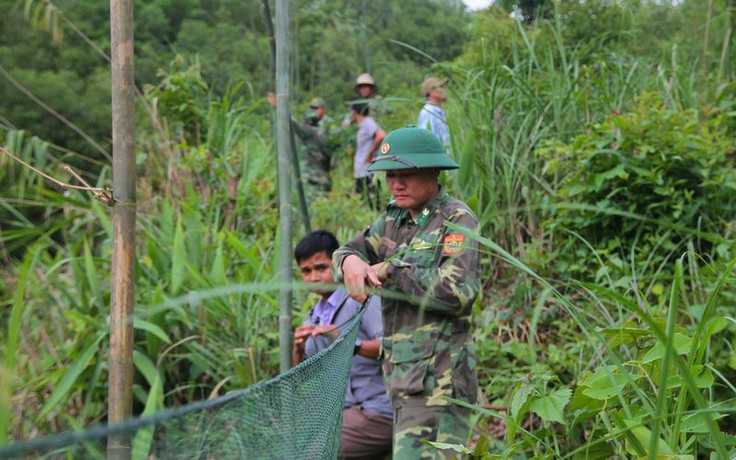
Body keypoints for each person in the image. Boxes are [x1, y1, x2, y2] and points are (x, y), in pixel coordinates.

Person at [332, 126, 480, 459]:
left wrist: (392, 270)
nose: (396, 184)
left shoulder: (455, 220)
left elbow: (456, 292)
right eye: (390, 175)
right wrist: (349, 264)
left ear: (433, 172)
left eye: (406, 175)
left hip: (440, 384)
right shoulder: (391, 220)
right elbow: (346, 251)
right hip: (402, 377)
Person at [292, 230, 393, 460]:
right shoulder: (314, 317)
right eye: (306, 271)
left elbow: (391, 347)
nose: (314, 277)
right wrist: (297, 349)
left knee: (314, 453)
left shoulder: (362, 299)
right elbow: (301, 378)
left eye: (321, 268)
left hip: (377, 410)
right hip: (344, 413)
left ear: (337, 266)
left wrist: (348, 342)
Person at [267, 93, 335, 195]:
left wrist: (280, 107)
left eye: (317, 108)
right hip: (307, 173)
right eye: (312, 108)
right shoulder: (308, 123)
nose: (314, 111)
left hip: (320, 174)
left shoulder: (329, 125)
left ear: (323, 109)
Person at [350, 101, 386, 208]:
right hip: (362, 170)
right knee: (362, 200)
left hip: (367, 170)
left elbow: (381, 136)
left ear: (354, 112)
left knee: (372, 202)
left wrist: (370, 154)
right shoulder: (363, 124)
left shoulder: (367, 122)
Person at [417, 77, 450, 151]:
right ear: (431, 91)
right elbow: (426, 142)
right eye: (441, 87)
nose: (444, 90)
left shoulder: (437, 112)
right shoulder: (429, 112)